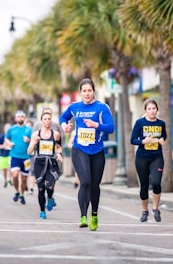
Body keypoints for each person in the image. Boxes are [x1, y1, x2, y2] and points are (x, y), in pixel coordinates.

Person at [60, 78, 114, 231]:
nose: (87, 93)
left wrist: (96, 125)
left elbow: (111, 128)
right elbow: (63, 117)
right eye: (84, 91)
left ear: (93, 91)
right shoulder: (75, 107)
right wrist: (65, 126)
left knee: (95, 186)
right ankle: (83, 215)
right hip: (79, 149)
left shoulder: (102, 108)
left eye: (89, 90)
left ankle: (94, 214)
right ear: (80, 92)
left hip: (97, 151)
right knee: (85, 182)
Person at [130, 99, 167, 223]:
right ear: (145, 110)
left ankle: (155, 209)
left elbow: (164, 135)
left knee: (156, 182)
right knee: (144, 185)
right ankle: (144, 210)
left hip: (157, 157)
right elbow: (133, 139)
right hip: (142, 157)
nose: (152, 111)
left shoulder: (161, 123)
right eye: (149, 109)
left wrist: (162, 140)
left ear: (157, 109)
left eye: (154, 108)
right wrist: (143, 141)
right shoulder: (140, 123)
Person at [27, 111, 63, 219]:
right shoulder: (35, 134)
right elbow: (29, 151)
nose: (47, 121)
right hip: (40, 162)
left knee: (50, 186)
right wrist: (34, 142)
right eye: (45, 119)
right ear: (41, 121)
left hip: (51, 163)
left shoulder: (55, 134)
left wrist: (59, 154)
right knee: (41, 188)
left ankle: (50, 197)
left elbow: (58, 147)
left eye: (49, 119)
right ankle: (42, 211)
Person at [5, 110, 32, 205]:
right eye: (18, 117)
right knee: (15, 175)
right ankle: (16, 191)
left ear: (24, 118)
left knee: (24, 178)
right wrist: (9, 143)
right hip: (15, 156)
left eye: (22, 116)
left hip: (26, 157)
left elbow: (33, 141)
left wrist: (28, 140)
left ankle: (22, 194)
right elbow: (6, 138)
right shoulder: (11, 129)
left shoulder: (29, 129)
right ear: (16, 118)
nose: (20, 118)